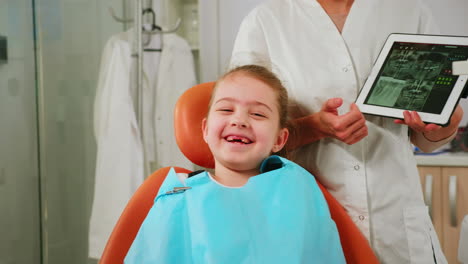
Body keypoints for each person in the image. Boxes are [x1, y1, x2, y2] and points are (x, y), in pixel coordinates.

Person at [230, 0, 464, 263]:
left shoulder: (410, 12)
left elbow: (427, 137)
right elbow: (245, 136)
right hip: (311, 220)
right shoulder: (265, 22)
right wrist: (314, 127)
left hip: (397, 225)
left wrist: (443, 124)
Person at [124, 65, 346, 263]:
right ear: (205, 130)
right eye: (226, 109)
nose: (239, 120)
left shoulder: (299, 189)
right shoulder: (178, 198)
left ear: (279, 139)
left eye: (258, 114)